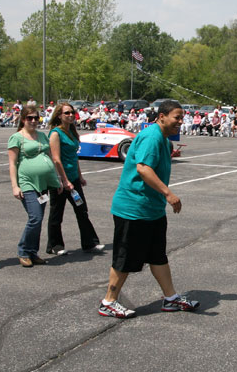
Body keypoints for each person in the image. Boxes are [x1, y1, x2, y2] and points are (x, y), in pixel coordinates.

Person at [99, 100, 199, 318]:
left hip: (151, 210)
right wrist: (168, 193)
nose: (181, 122)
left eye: (182, 118)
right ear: (162, 116)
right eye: (177, 117)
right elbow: (143, 169)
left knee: (157, 256)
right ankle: (109, 301)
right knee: (124, 258)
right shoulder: (152, 136)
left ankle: (171, 299)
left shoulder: (162, 138)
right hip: (133, 209)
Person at [46, 103, 103, 256]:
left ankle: (90, 243)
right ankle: (55, 245)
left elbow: (74, 157)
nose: (70, 115)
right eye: (67, 113)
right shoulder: (55, 134)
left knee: (82, 210)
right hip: (59, 181)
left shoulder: (71, 132)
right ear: (59, 115)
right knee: (57, 213)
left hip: (73, 179)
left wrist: (80, 176)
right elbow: (56, 159)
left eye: (72, 113)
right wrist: (64, 181)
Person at [8, 106, 61, 267]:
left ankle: (32, 251)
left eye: (35, 118)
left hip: (43, 185)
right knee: (35, 217)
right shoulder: (16, 137)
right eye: (29, 118)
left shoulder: (42, 136)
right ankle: (23, 250)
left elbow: (50, 158)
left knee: (38, 219)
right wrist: (15, 186)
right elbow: (12, 163)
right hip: (27, 183)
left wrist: (57, 180)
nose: (33, 121)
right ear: (23, 119)